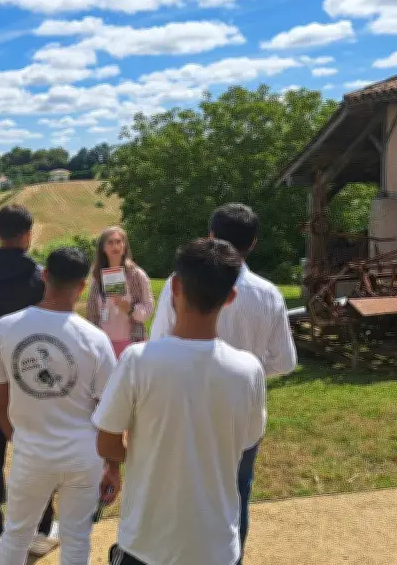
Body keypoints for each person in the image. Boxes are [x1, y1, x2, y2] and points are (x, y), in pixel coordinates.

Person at [94, 238, 267, 565]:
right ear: (230, 297)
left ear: (174, 287)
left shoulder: (138, 360)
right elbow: (247, 441)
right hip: (217, 546)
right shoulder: (249, 370)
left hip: (146, 543)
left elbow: (106, 442)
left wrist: (142, 453)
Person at [149, 203, 296, 562]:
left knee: (180, 492)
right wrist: (250, 368)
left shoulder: (180, 284)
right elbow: (285, 361)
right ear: (253, 243)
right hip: (240, 412)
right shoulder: (268, 293)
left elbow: (159, 343)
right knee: (236, 495)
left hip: (185, 404)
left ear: (211, 236)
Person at [0, 247, 119, 565]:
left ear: (45, 276)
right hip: (83, 453)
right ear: (82, 286)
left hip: (31, 451)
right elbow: (110, 409)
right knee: (76, 539)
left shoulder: (6, 326)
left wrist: (16, 436)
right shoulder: (96, 339)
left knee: (16, 535)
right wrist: (113, 465)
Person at [0, 205, 57, 560]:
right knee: (37, 446)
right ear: (28, 234)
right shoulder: (40, 277)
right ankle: (41, 528)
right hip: (33, 374)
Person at [86, 226, 154, 357]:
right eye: (110, 242)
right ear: (103, 248)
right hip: (103, 344)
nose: (115, 246)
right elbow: (91, 314)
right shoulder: (97, 277)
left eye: (118, 242)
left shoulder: (137, 275)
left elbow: (148, 308)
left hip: (131, 343)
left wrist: (130, 309)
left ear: (124, 246)